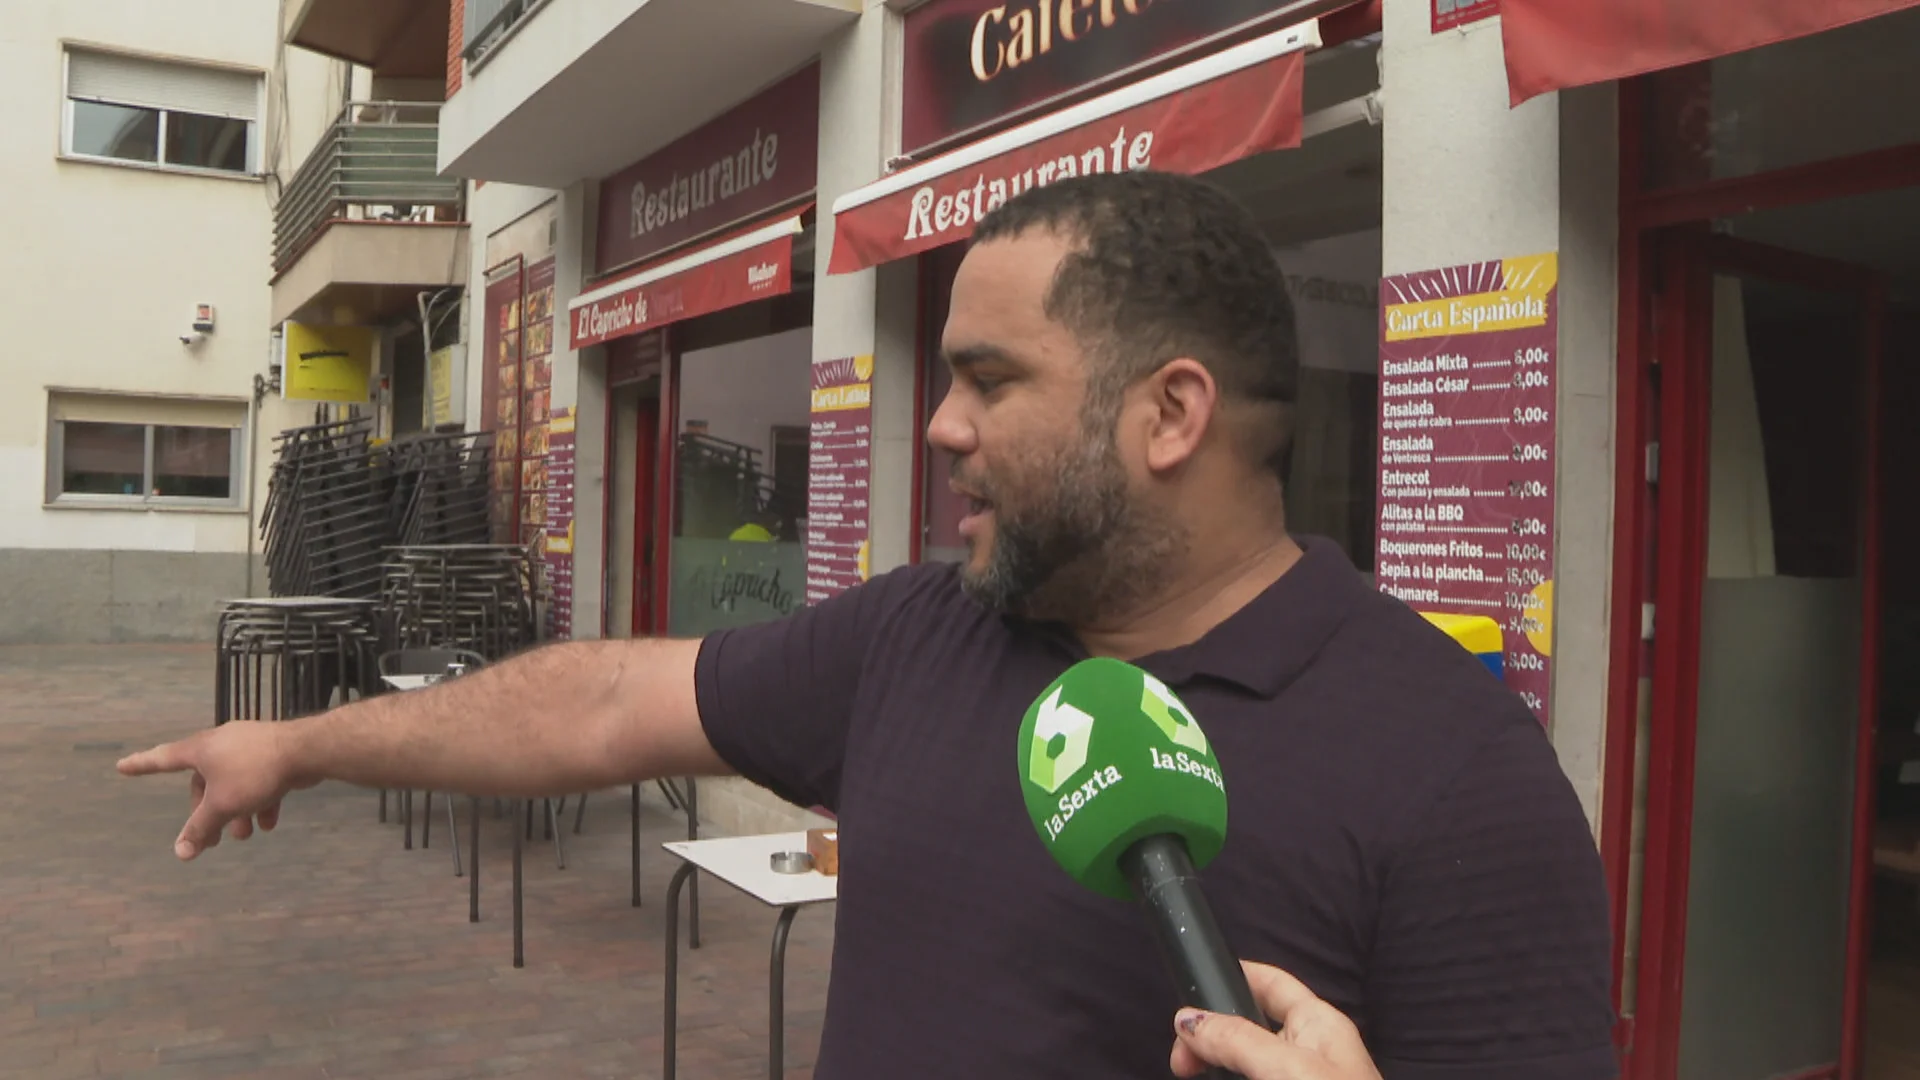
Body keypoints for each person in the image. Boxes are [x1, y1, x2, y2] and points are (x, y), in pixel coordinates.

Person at [120, 171, 1617, 1079]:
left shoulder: (1453, 773)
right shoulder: (922, 636)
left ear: (1172, 414)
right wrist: (303, 743)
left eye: (990, 379)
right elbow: (594, 702)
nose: (943, 427)